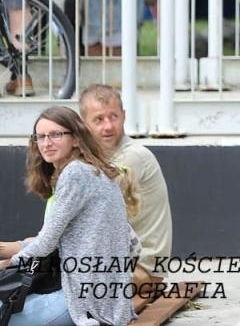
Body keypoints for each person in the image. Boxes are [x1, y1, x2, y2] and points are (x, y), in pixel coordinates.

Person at [0, 106, 139, 326]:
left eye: (56, 135)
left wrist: (9, 262)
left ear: (75, 139)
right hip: (105, 299)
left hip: (82, 303)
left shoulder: (75, 173)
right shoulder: (92, 170)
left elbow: (46, 243)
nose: (46, 143)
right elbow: (133, 241)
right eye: (40, 137)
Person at [79, 85, 172, 311]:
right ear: (83, 124)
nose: (108, 126)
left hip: (141, 272)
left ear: (124, 116)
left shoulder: (132, 157)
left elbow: (87, 217)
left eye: (114, 117)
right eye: (98, 119)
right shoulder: (95, 158)